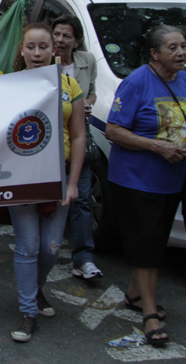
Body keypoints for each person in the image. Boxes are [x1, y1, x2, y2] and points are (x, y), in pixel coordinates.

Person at [104, 25, 186, 346]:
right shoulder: (136, 82)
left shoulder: (185, 80)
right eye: (172, 48)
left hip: (172, 181)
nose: (182, 53)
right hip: (135, 181)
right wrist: (156, 146)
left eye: (184, 46)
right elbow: (114, 131)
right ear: (154, 53)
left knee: (154, 243)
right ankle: (148, 311)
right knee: (147, 248)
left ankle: (133, 294)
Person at [8, 23, 85, 342]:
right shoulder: (7, 86)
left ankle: (36, 291)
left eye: (44, 47)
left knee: (52, 248)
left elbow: (79, 135)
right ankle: (28, 310)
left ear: (54, 49)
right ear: (22, 50)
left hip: (59, 174)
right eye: (31, 47)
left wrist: (72, 182)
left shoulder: (70, 86)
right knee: (28, 246)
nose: (37, 53)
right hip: (23, 177)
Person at [50, 16, 103, 281]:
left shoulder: (88, 61)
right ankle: (42, 250)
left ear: (77, 41)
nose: (60, 40)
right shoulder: (43, 60)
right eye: (56, 34)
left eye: (66, 36)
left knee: (81, 198)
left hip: (78, 137)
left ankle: (83, 258)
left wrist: (86, 103)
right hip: (48, 142)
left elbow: (91, 91)